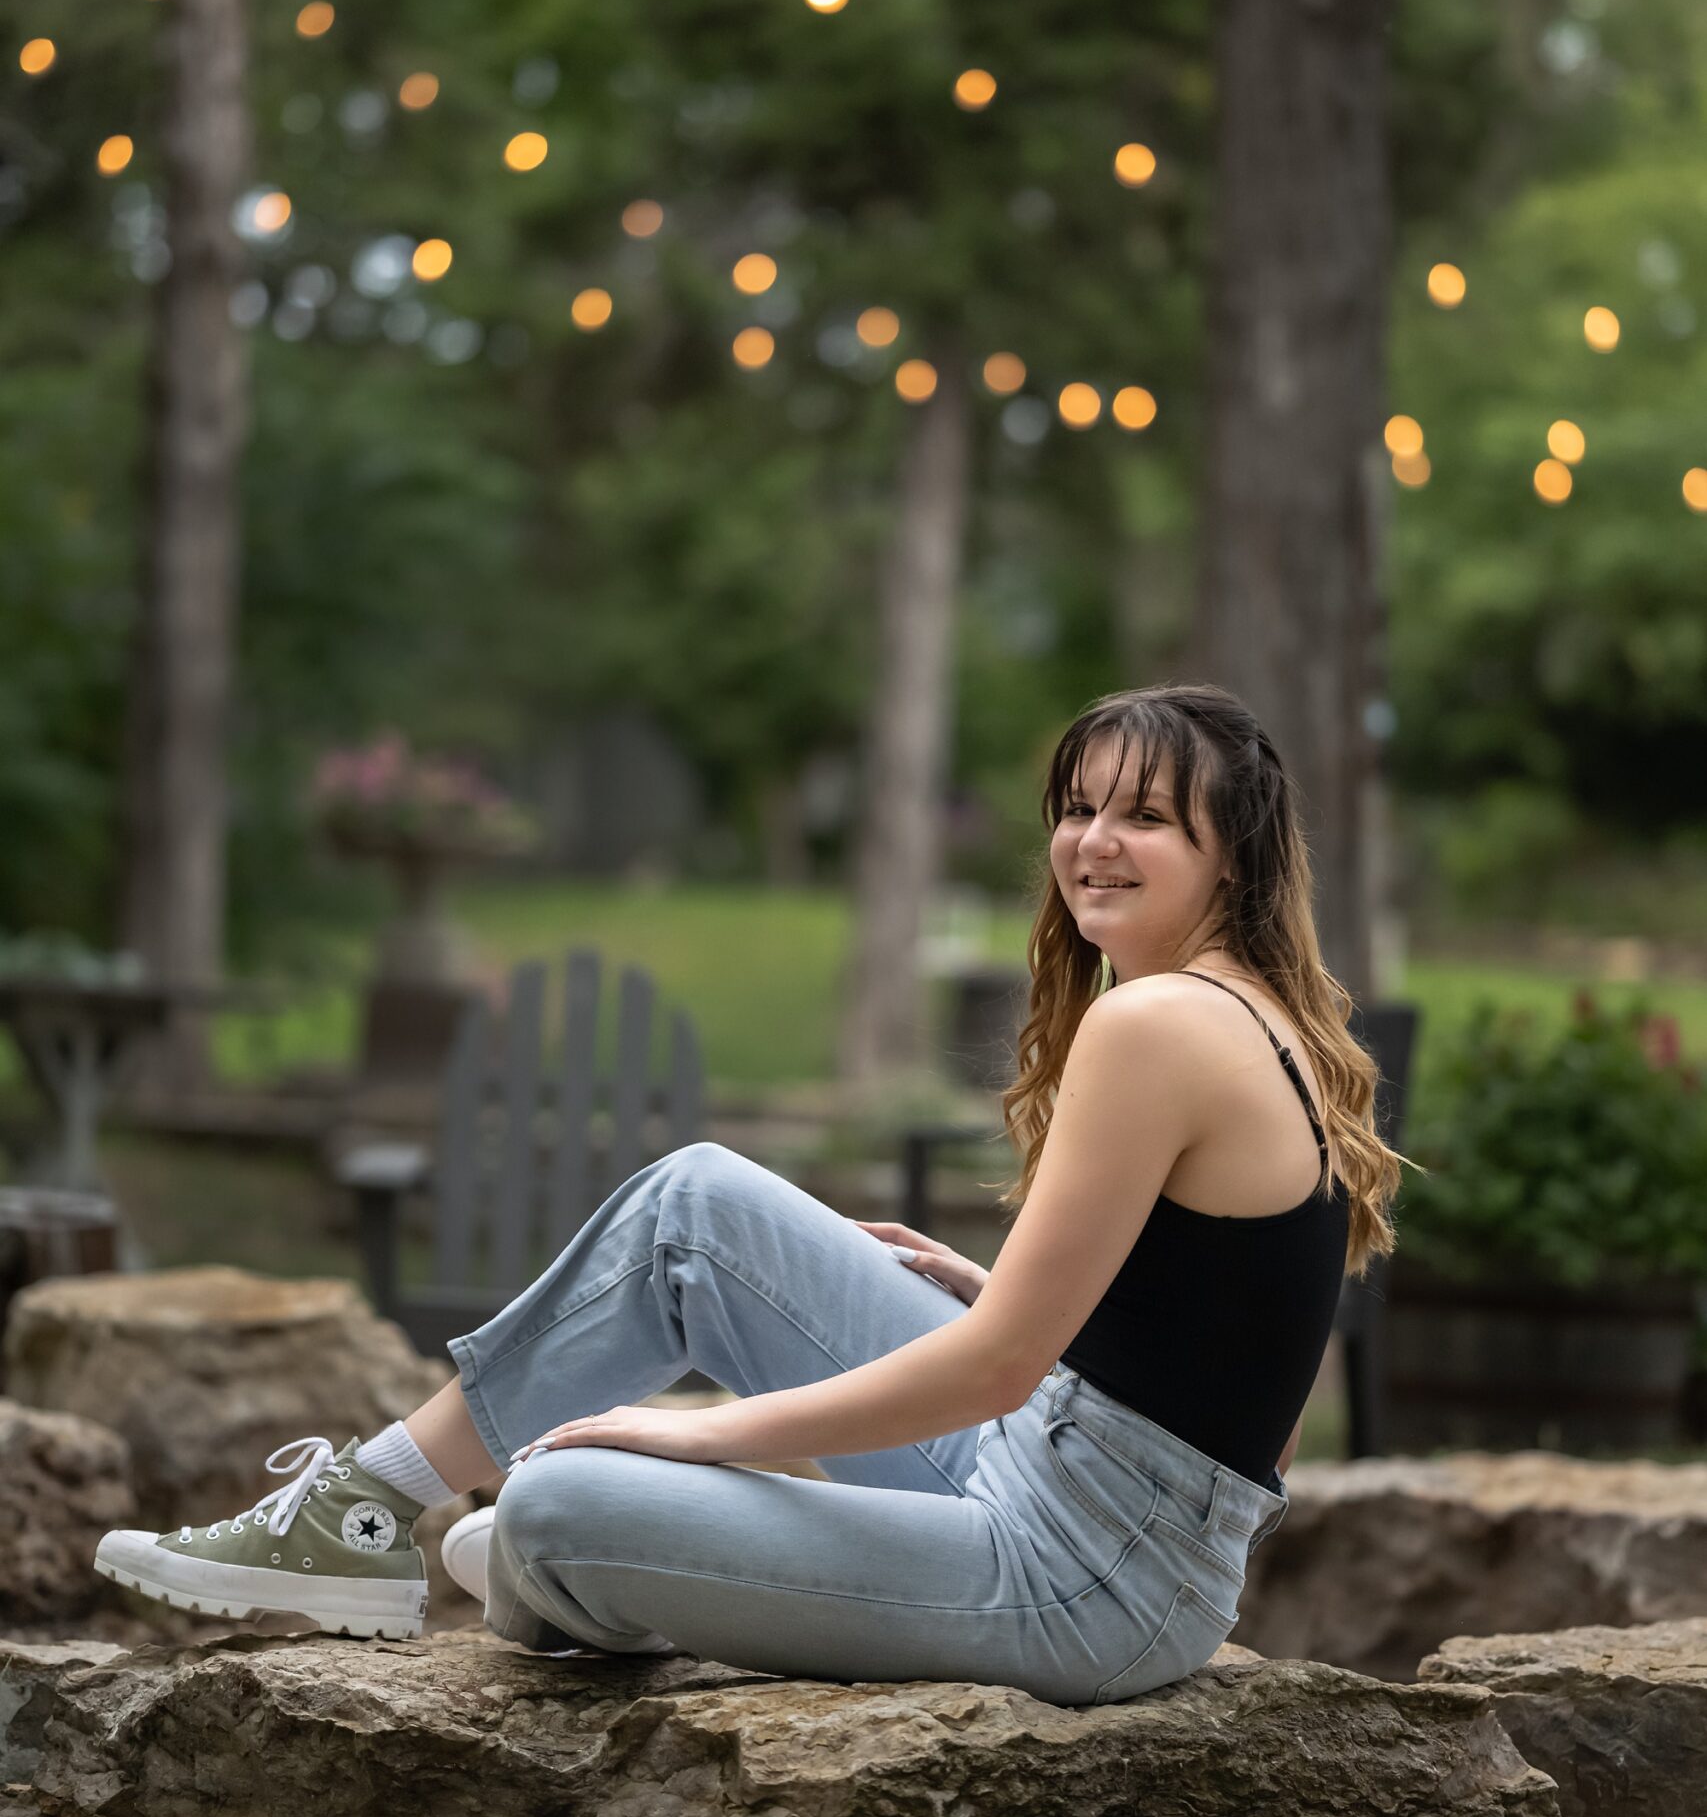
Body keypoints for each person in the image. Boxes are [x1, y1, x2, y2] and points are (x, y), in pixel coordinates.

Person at [95, 682, 1406, 1706]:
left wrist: (700, 1431)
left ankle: (575, 1570)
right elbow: (1254, 1404)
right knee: (700, 1204)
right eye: (1078, 807)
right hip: (1077, 1493)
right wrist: (1009, 1304)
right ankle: (367, 1509)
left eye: (1145, 818)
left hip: (1084, 1582)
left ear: (1228, 855)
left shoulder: (1158, 1024)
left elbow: (1002, 1371)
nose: (1093, 843)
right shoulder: (1254, 1016)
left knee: (555, 1505)